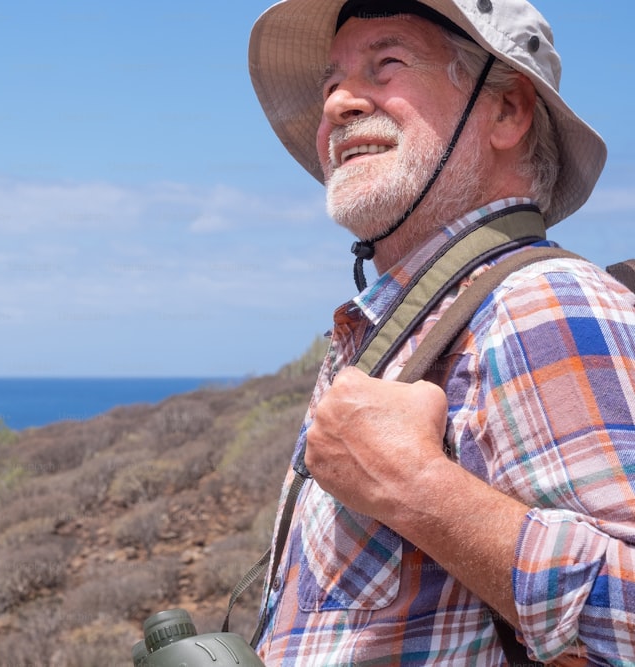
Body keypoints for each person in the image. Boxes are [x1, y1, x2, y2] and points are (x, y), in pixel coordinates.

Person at [247, 0, 635, 664]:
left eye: (386, 63)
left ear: (508, 111)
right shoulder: (416, 325)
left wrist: (420, 488)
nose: (338, 103)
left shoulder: (539, 302)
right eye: (330, 84)